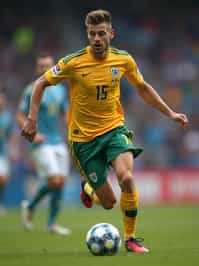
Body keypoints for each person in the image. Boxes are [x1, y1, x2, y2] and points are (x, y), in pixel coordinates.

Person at [20, 10, 188, 252]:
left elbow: (142, 88)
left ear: (111, 33)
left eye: (101, 33)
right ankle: (88, 188)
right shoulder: (73, 62)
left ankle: (130, 239)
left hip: (113, 130)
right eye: (92, 34)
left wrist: (170, 113)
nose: (97, 39)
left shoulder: (123, 60)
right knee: (109, 202)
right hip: (83, 141)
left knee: (127, 178)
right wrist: (32, 118)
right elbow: (40, 83)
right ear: (87, 35)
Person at [16, 52, 71, 235]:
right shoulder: (31, 90)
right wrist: (34, 132)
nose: (45, 69)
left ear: (54, 66)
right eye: (41, 66)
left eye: (48, 65)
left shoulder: (60, 90)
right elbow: (20, 114)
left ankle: (52, 223)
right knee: (54, 179)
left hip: (57, 140)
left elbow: (65, 113)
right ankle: (31, 206)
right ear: (36, 68)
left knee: (61, 182)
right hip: (41, 142)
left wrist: (72, 130)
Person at [0, 88, 13, 214]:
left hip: (2, 152)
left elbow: (10, 135)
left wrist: (13, 150)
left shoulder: (7, 117)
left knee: (3, 179)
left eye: (2, 100)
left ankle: (1, 203)